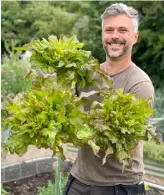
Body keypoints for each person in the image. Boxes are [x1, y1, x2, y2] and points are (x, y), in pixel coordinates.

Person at [64, 3, 154, 195]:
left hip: (118, 186)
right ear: (102, 35)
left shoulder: (139, 84)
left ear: (135, 37)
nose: (115, 36)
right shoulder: (86, 74)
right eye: (109, 30)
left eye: (123, 30)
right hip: (80, 179)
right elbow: (65, 110)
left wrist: (78, 127)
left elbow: (126, 147)